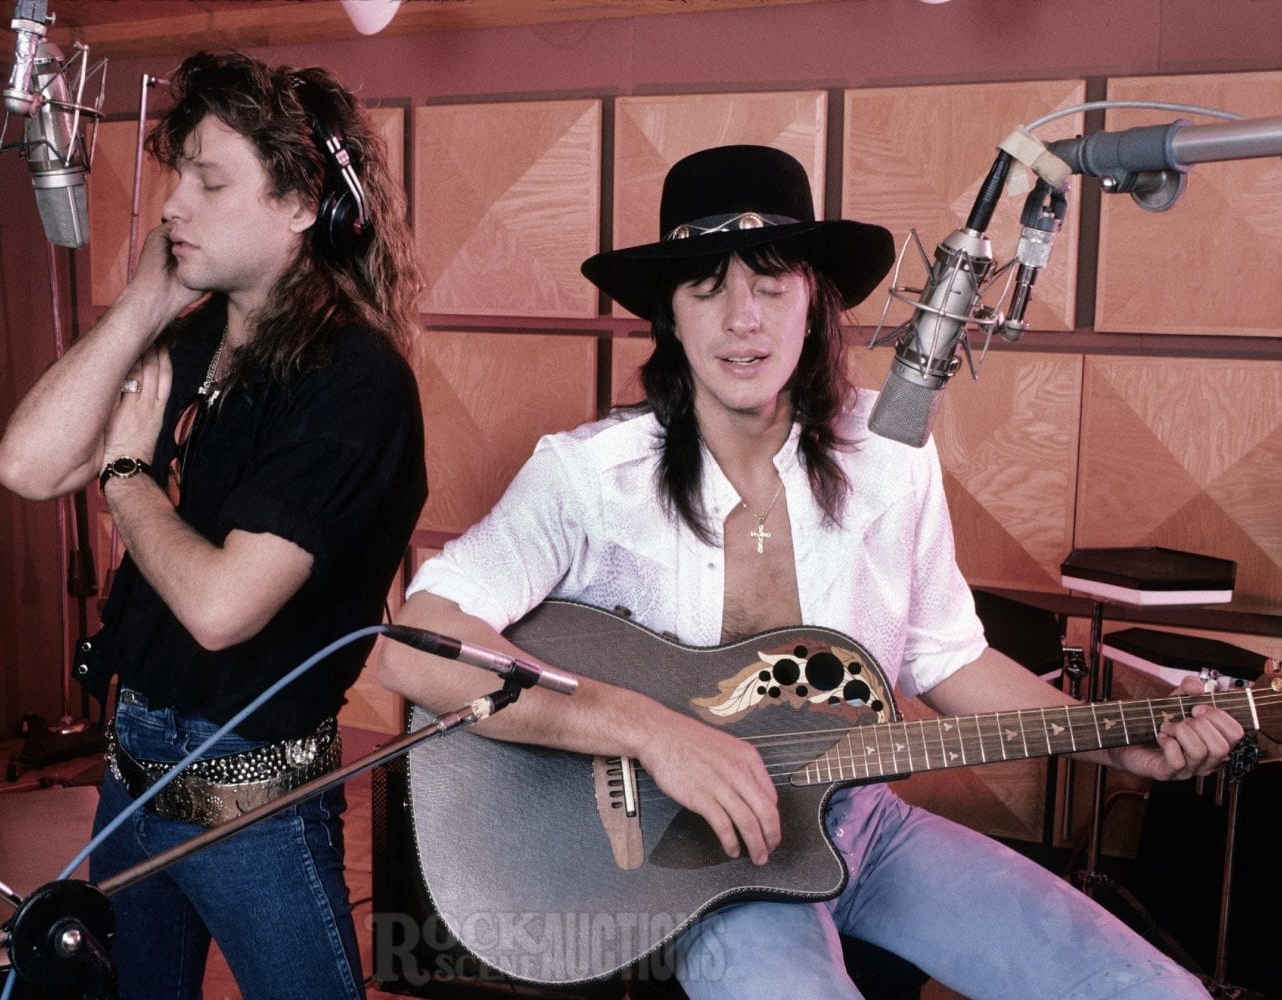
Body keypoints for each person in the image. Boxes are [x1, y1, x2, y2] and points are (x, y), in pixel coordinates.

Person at [376, 145, 1244, 999]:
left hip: (863, 823)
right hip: (702, 861)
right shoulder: (588, 477)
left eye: (769, 282)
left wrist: (1111, 738)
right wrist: (651, 730)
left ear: (814, 302)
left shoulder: (891, 455)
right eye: (704, 287)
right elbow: (416, 647)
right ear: (669, 317)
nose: (740, 318)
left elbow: (944, 659)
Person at [0, 51, 426, 1000]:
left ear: (304, 202)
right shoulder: (192, 335)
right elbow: (24, 466)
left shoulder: (356, 383)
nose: (172, 206)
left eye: (210, 179)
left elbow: (222, 607)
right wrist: (143, 302)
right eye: (174, 174)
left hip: (250, 804)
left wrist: (125, 474)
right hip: (130, 771)